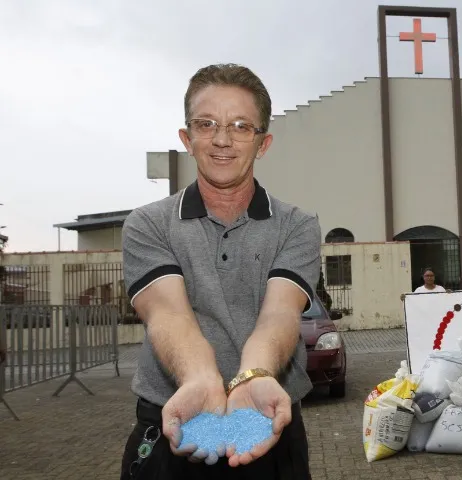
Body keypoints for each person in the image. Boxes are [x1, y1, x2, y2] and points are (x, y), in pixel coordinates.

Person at [119, 64, 320, 479]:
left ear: (263, 143)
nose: (222, 139)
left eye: (241, 126)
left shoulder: (297, 225)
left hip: (269, 426)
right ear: (186, 138)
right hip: (172, 425)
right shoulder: (148, 224)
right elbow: (168, 313)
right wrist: (198, 378)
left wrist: (254, 376)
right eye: (206, 123)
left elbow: (280, 312)